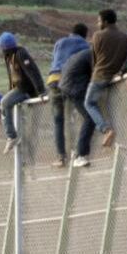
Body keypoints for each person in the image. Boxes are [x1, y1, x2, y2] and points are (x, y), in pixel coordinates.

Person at [85, 9, 127, 149]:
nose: (98, 24)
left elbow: (94, 59)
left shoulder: (98, 35)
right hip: (117, 78)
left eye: (99, 21)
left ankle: (106, 129)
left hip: (100, 75)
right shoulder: (125, 37)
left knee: (89, 103)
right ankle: (119, 138)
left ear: (105, 21)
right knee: (111, 107)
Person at [47, 24, 89, 166]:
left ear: (71, 32)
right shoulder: (84, 44)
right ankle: (75, 151)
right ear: (85, 35)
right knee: (75, 116)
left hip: (53, 80)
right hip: (70, 81)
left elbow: (54, 61)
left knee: (58, 120)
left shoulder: (60, 42)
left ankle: (61, 157)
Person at [0, 32, 45, 154]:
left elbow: (33, 71)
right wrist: (10, 91)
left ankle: (11, 136)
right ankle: (19, 139)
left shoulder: (20, 53)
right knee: (7, 105)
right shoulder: (8, 57)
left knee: (4, 102)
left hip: (26, 89)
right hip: (18, 89)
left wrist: (41, 91)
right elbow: (11, 76)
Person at [58, 48, 96, 168]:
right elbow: (97, 74)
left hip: (66, 86)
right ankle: (80, 155)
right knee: (90, 117)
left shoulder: (84, 54)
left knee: (86, 117)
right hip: (74, 87)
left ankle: (77, 152)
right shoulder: (92, 55)